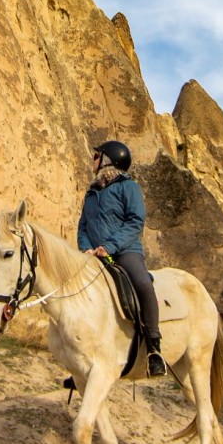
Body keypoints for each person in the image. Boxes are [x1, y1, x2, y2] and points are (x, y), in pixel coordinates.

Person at [77, 140, 166, 378]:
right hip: (94, 255)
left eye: (96, 156)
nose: (93, 160)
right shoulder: (92, 192)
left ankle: (154, 349)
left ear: (109, 159)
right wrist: (85, 248)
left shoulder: (129, 188)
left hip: (125, 251)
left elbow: (135, 222)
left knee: (143, 285)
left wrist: (110, 246)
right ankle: (82, 357)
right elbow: (83, 226)